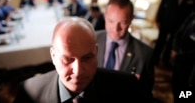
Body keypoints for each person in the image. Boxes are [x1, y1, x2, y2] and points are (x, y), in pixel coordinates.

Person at [13, 17, 147, 103]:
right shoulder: (29, 92)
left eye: (87, 58)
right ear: (53, 56)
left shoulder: (126, 86)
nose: (78, 72)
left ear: (96, 52)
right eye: (68, 59)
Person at [96, 0, 154, 101]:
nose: (116, 28)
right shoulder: (91, 40)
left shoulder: (145, 54)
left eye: (122, 22)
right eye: (111, 21)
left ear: (131, 19)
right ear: (104, 16)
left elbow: (145, 93)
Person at [153, 0, 195, 67]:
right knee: (160, 41)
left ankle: (166, 61)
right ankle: (154, 60)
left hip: (180, 24)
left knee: (171, 44)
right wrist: (158, 18)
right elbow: (163, 4)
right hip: (166, 20)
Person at [171, 12, 195, 103]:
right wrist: (174, 49)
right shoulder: (192, 14)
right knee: (176, 88)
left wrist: (180, 55)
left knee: (185, 94)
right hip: (179, 61)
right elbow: (179, 32)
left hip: (190, 67)